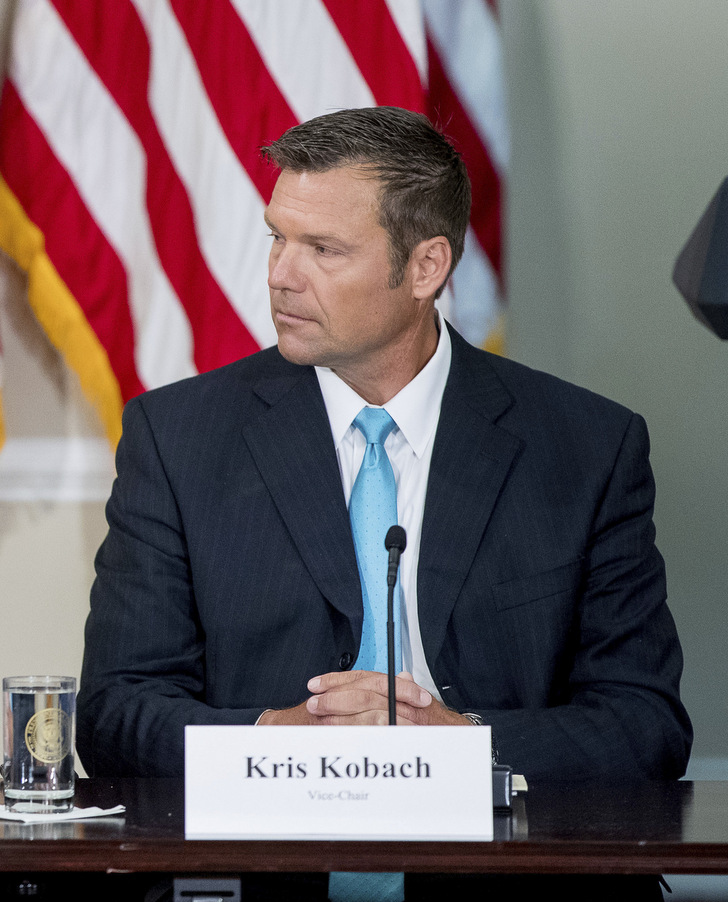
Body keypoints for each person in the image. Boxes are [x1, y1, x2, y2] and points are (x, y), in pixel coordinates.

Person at [80, 106, 689, 782]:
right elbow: (114, 715)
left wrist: (464, 744)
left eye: (324, 249)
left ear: (427, 266)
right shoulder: (177, 438)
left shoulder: (586, 448)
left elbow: (645, 725)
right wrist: (270, 739)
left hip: (503, 870)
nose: (282, 274)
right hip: (266, 871)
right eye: (277, 239)